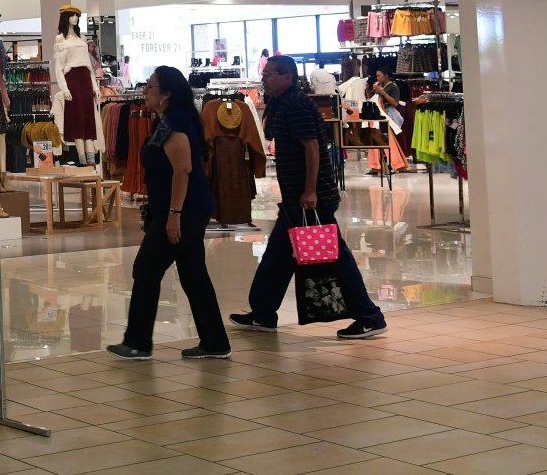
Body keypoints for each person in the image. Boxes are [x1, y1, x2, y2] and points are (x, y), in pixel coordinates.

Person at [230, 55, 388, 340]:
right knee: (277, 256)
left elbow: (312, 148)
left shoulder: (297, 105)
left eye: (270, 74)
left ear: (288, 77)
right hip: (295, 197)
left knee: (336, 256)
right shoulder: (282, 103)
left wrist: (310, 190)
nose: (264, 78)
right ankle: (263, 313)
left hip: (311, 197)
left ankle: (369, 316)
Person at [108, 66, 232, 361]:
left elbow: (184, 169)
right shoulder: (168, 121)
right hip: (186, 208)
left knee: (146, 269)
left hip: (182, 211)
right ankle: (215, 342)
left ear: (166, 94)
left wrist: (174, 214)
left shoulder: (175, 123)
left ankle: (137, 342)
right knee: (193, 274)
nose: (144, 92)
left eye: (150, 87)